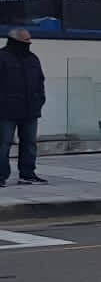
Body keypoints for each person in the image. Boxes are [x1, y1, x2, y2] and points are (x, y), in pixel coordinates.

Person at [0, 26, 47, 186]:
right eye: (26, 40)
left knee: (29, 143)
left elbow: (40, 82)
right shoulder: (2, 57)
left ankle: (27, 174)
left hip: (31, 110)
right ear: (16, 40)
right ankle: (1, 176)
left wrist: (40, 100)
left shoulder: (32, 58)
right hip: (6, 111)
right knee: (3, 144)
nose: (30, 42)